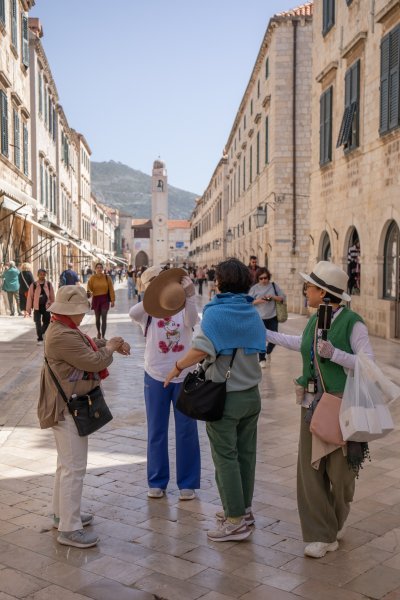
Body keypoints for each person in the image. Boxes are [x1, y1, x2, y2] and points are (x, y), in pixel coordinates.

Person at [266, 261, 374, 558]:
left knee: (340, 472)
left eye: (310, 287)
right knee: (309, 468)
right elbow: (302, 344)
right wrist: (267, 335)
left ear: (324, 293)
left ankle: (335, 520)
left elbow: (367, 363)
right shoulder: (315, 320)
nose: (305, 291)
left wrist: (336, 354)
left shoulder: (354, 323)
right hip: (311, 401)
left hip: (340, 402)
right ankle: (321, 533)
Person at [165, 258, 266, 542]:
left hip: (226, 396)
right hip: (251, 396)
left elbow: (200, 350)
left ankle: (234, 521)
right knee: (247, 455)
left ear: (220, 283)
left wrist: (176, 367)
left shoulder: (216, 314)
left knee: (226, 458)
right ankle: (244, 511)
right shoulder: (251, 312)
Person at [38, 285, 130, 548]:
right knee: (74, 468)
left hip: (67, 403)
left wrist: (110, 343)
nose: (82, 316)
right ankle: (69, 529)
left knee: (65, 465)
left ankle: (62, 515)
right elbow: (93, 361)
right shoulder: (61, 335)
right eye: (79, 312)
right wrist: (110, 348)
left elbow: (87, 343)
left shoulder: (64, 327)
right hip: (67, 406)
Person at [129, 266, 201, 501]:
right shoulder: (147, 312)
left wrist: (188, 295)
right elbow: (133, 312)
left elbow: (192, 320)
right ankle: (157, 481)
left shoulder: (183, 307)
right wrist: (153, 294)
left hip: (185, 376)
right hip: (155, 375)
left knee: (186, 430)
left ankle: (187, 483)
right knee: (156, 431)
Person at [249, 268, 286, 367]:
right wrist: (259, 300)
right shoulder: (254, 288)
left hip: (273, 316)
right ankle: (262, 359)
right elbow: (249, 302)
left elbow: (282, 298)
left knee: (274, 338)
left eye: (265, 278)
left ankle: (268, 351)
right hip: (260, 317)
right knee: (261, 338)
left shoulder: (273, 286)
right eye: (261, 278)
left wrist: (273, 297)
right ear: (258, 279)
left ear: (268, 277)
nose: (263, 280)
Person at [26, 268, 55, 344]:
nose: (42, 276)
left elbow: (52, 297)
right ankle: (40, 338)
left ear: (45, 275)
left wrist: (53, 307)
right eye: (40, 274)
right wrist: (28, 309)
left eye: (43, 274)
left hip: (46, 306)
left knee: (47, 322)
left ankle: (41, 332)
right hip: (37, 307)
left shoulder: (48, 284)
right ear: (37, 275)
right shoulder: (34, 285)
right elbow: (30, 297)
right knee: (37, 322)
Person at [87, 263, 115, 340]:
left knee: (104, 317)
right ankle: (98, 332)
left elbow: (111, 289)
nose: (99, 269)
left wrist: (112, 300)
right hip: (96, 299)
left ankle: (103, 336)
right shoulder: (92, 278)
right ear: (95, 269)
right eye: (97, 267)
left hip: (105, 299)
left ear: (102, 269)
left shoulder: (107, 277)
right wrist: (89, 292)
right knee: (97, 318)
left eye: (100, 267)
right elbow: (89, 288)